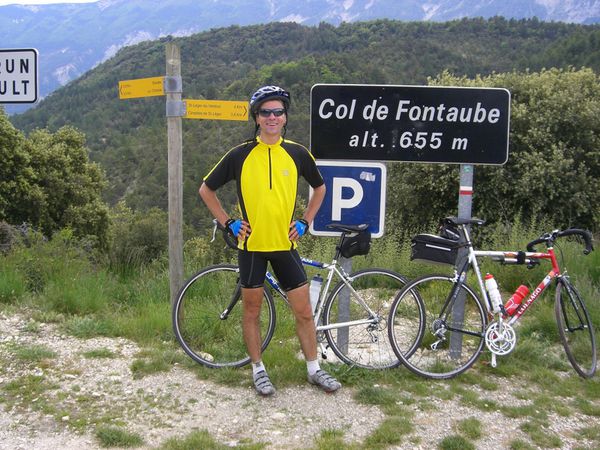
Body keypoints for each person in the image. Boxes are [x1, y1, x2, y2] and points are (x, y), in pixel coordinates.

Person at [199, 85, 341, 396]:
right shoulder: (239, 155)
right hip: (251, 248)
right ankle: (258, 370)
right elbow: (206, 190)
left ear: (285, 118)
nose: (273, 117)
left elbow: (320, 188)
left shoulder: (297, 153)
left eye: (278, 112)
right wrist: (229, 223)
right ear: (257, 118)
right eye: (266, 112)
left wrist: (305, 222)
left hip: (285, 246)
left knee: (303, 311)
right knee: (252, 312)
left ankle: (314, 369)